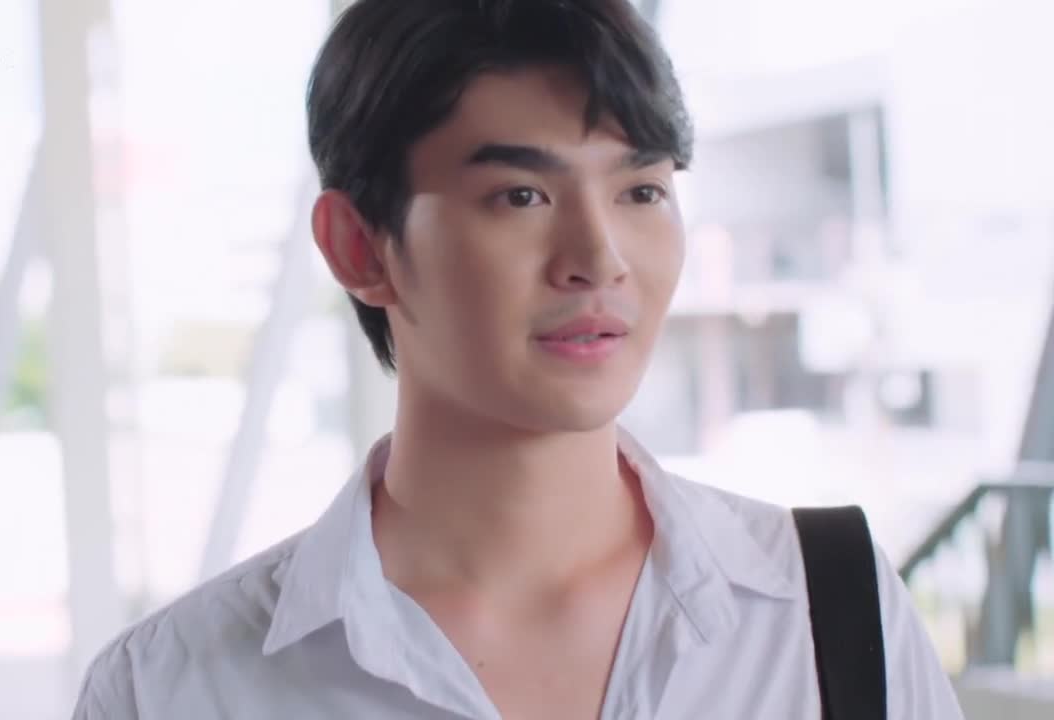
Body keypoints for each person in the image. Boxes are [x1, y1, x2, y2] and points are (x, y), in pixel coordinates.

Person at [72, 1, 965, 717]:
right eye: (521, 195)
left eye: (641, 190)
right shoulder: (171, 689)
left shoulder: (827, 611)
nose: (600, 258)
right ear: (359, 247)